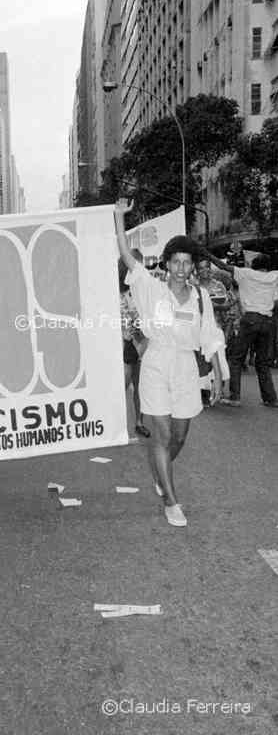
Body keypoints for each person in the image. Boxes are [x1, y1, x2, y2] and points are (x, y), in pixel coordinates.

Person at [115, 199, 223, 527]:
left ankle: (162, 472)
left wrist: (218, 374)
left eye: (186, 263)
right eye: (175, 262)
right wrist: (120, 218)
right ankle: (171, 501)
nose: (180, 268)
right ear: (166, 264)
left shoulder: (201, 298)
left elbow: (210, 335)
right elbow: (126, 256)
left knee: (179, 437)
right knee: (161, 436)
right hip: (156, 364)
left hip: (187, 369)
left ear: (192, 267)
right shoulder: (151, 288)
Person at [203, 250, 278, 407]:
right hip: (268, 321)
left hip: (250, 320)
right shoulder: (274, 276)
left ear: (254, 265)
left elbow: (221, 265)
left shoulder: (245, 273)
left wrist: (206, 254)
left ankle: (235, 397)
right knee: (262, 363)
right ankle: (270, 398)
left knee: (236, 359)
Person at [119, 254, 150, 438]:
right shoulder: (116, 291)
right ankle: (115, 423)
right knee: (123, 384)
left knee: (141, 387)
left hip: (144, 343)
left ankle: (139, 422)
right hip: (125, 344)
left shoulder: (144, 290)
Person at [194, 257, 231, 405]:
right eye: (201, 268)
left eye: (207, 267)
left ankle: (218, 389)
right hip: (199, 330)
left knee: (219, 359)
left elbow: (227, 304)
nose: (205, 270)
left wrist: (210, 305)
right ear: (196, 271)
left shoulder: (219, 285)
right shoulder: (193, 287)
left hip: (217, 328)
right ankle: (204, 392)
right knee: (202, 360)